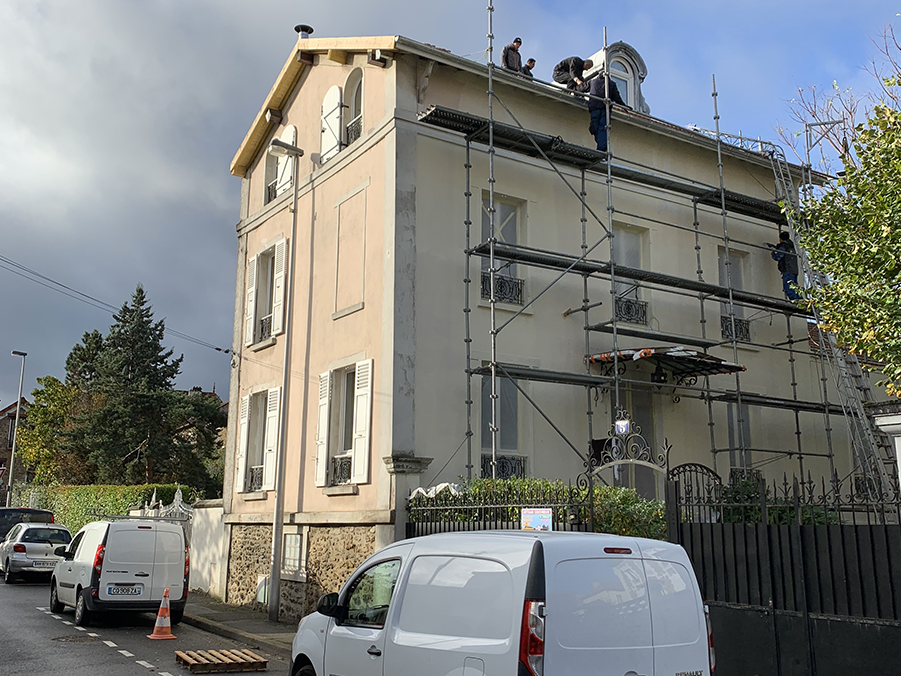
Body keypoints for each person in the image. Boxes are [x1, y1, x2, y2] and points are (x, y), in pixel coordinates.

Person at [587, 76, 627, 152]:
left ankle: (600, 143)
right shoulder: (611, 84)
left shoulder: (593, 82)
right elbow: (617, 98)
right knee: (603, 127)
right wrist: (624, 106)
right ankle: (601, 147)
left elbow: (583, 87)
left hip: (594, 107)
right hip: (604, 109)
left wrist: (574, 89)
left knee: (595, 126)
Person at [767, 231, 801, 301]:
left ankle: (797, 303)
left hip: (787, 270)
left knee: (789, 289)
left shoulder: (784, 246)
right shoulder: (792, 246)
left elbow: (778, 257)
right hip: (794, 270)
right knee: (795, 289)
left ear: (780, 238)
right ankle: (802, 302)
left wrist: (773, 252)